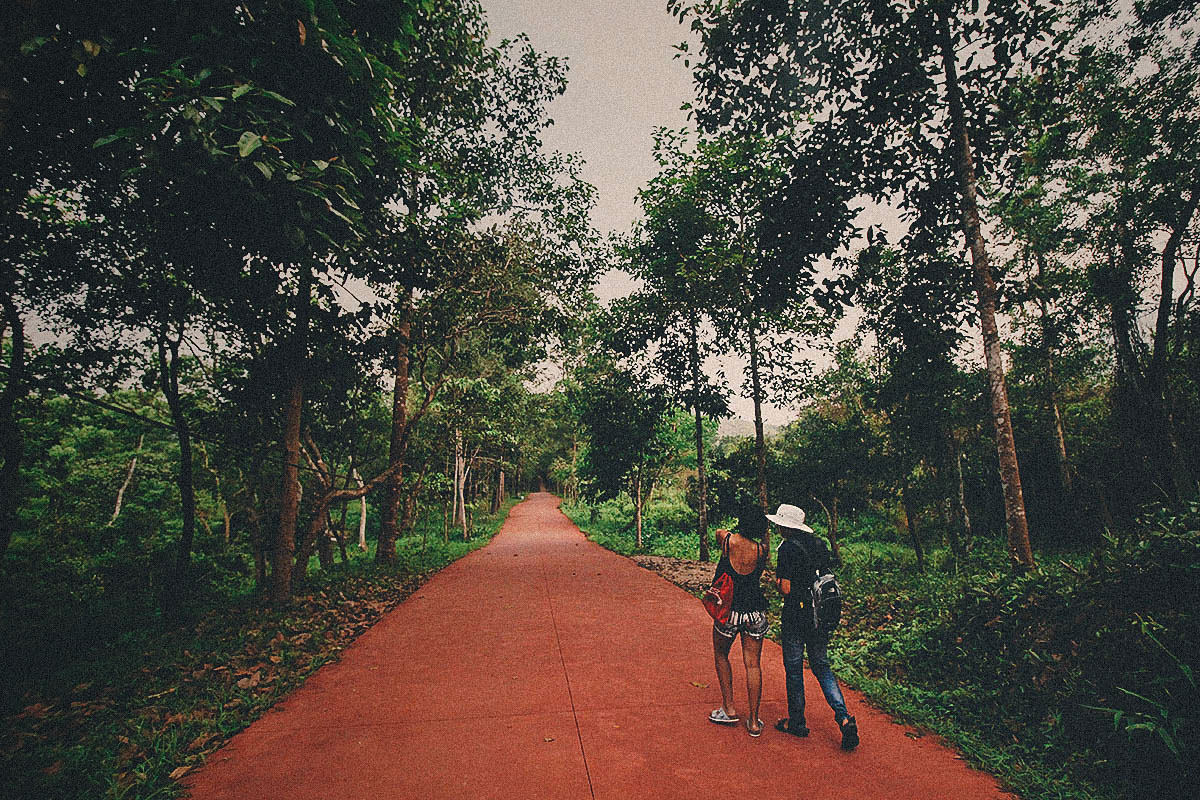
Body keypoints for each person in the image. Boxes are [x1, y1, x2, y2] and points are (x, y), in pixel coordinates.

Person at [768, 503, 859, 750]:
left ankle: (797, 722)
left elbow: (785, 588)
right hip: (820, 616)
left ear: (785, 525)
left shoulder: (787, 548)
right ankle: (844, 718)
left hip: (796, 617)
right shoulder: (819, 544)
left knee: (795, 668)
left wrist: (777, 583)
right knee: (822, 667)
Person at [708, 510, 769, 737]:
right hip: (754, 613)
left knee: (721, 655)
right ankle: (753, 721)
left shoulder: (727, 541)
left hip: (729, 611)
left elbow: (718, 532)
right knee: (753, 664)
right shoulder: (762, 550)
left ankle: (729, 708)